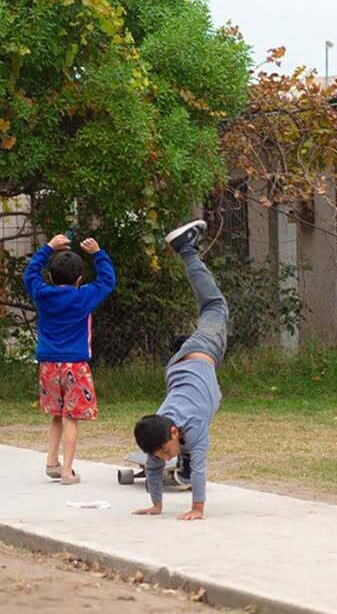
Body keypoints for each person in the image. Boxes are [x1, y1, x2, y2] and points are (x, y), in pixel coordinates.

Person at [132, 220, 224, 521]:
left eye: (167, 452)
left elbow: (200, 467)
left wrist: (197, 508)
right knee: (208, 308)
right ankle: (187, 249)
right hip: (179, 368)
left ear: (174, 431)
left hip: (202, 351)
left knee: (214, 306)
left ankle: (185, 248)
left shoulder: (193, 426)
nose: (163, 458)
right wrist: (156, 505)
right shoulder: (157, 435)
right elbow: (154, 473)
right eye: (162, 455)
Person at [23, 234, 117, 485]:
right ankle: (67, 471)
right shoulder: (83, 296)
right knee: (70, 417)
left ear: (51, 278)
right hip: (75, 364)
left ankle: (52, 463)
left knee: (56, 414)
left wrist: (48, 248)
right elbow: (108, 280)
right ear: (79, 280)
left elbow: (30, 274)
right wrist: (98, 253)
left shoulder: (43, 294)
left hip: (48, 365)